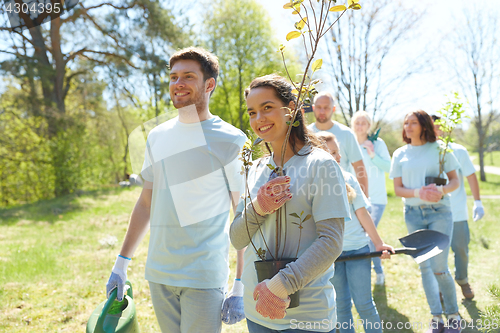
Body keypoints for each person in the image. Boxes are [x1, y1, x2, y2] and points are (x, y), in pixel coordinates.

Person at [105, 47, 247, 333]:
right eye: (173, 77)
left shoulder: (232, 140)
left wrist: (240, 284)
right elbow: (146, 202)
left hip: (203, 276)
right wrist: (121, 263)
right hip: (159, 274)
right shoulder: (158, 136)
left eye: (187, 76)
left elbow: (243, 215)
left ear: (209, 85)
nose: (178, 84)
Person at [230, 74, 350, 332]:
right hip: (258, 311)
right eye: (252, 112)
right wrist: (259, 208)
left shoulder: (321, 165)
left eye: (267, 108)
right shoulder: (255, 169)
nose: (258, 119)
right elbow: (237, 238)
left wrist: (280, 285)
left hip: (307, 318)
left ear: (291, 109)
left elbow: (331, 241)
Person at [389, 110, 461, 333]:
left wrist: (440, 190)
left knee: (439, 267)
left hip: (440, 212)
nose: (408, 126)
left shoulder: (441, 149)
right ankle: (436, 318)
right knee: (425, 267)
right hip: (413, 214)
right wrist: (418, 192)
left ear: (423, 126)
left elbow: (455, 181)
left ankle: (453, 315)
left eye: (413, 122)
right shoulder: (400, 154)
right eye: (405, 122)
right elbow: (397, 189)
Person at [318, 131, 394, 333]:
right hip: (331, 255)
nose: (340, 157)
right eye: (333, 153)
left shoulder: (348, 179)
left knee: (364, 304)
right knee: (340, 306)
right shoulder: (312, 185)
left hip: (358, 251)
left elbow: (363, 214)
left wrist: (378, 243)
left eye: (338, 152)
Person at [432, 115, 485, 299]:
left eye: (438, 127)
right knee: (437, 253)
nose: (436, 131)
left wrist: (477, 202)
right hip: (435, 214)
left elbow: (471, 176)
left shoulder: (457, 150)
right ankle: (440, 287)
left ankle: (462, 280)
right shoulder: (427, 151)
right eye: (431, 127)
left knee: (461, 249)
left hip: (457, 212)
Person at [351, 111, 392, 285]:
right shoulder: (349, 144)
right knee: (361, 236)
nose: (360, 126)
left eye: (364, 123)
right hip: (355, 198)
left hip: (375, 198)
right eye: (357, 122)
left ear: (369, 126)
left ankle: (378, 272)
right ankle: (368, 272)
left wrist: (372, 153)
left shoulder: (377, 143)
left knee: (369, 235)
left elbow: (389, 167)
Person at [307, 92, 368, 197]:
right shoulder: (305, 134)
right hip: (312, 195)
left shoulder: (346, 134)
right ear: (313, 108)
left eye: (326, 107)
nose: (322, 111)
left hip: (342, 195)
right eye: (318, 107)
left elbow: (359, 168)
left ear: (333, 109)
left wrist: (365, 200)